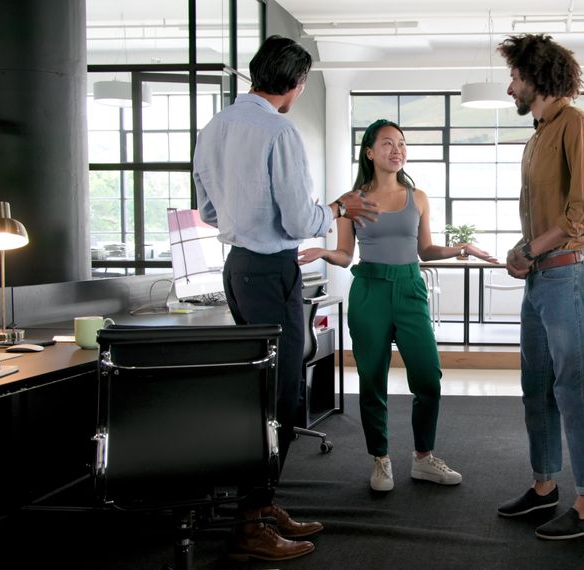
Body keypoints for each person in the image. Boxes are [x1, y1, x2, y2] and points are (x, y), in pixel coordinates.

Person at [193, 35, 379, 561]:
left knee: (264, 392)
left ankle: (260, 505)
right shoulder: (279, 130)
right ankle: (250, 524)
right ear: (297, 85)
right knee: (282, 397)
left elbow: (207, 212)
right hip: (271, 270)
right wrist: (337, 209)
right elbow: (299, 221)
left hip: (238, 268)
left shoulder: (215, 127)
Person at [302, 118, 497, 493]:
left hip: (410, 289)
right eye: (388, 143)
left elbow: (426, 250)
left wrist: (462, 248)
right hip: (369, 290)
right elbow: (345, 255)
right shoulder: (352, 200)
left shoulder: (417, 197)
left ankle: (424, 458)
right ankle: (380, 458)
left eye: (402, 143)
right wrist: (324, 252)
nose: (397, 150)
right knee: (371, 380)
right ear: (369, 152)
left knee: (428, 378)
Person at [492, 34, 584, 540]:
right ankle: (544, 486)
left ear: (537, 78)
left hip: (571, 273)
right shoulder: (538, 135)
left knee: (573, 388)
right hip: (543, 275)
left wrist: (531, 249)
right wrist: (525, 251)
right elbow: (542, 215)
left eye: (515, 77)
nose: (510, 87)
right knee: (536, 384)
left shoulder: (577, 125)